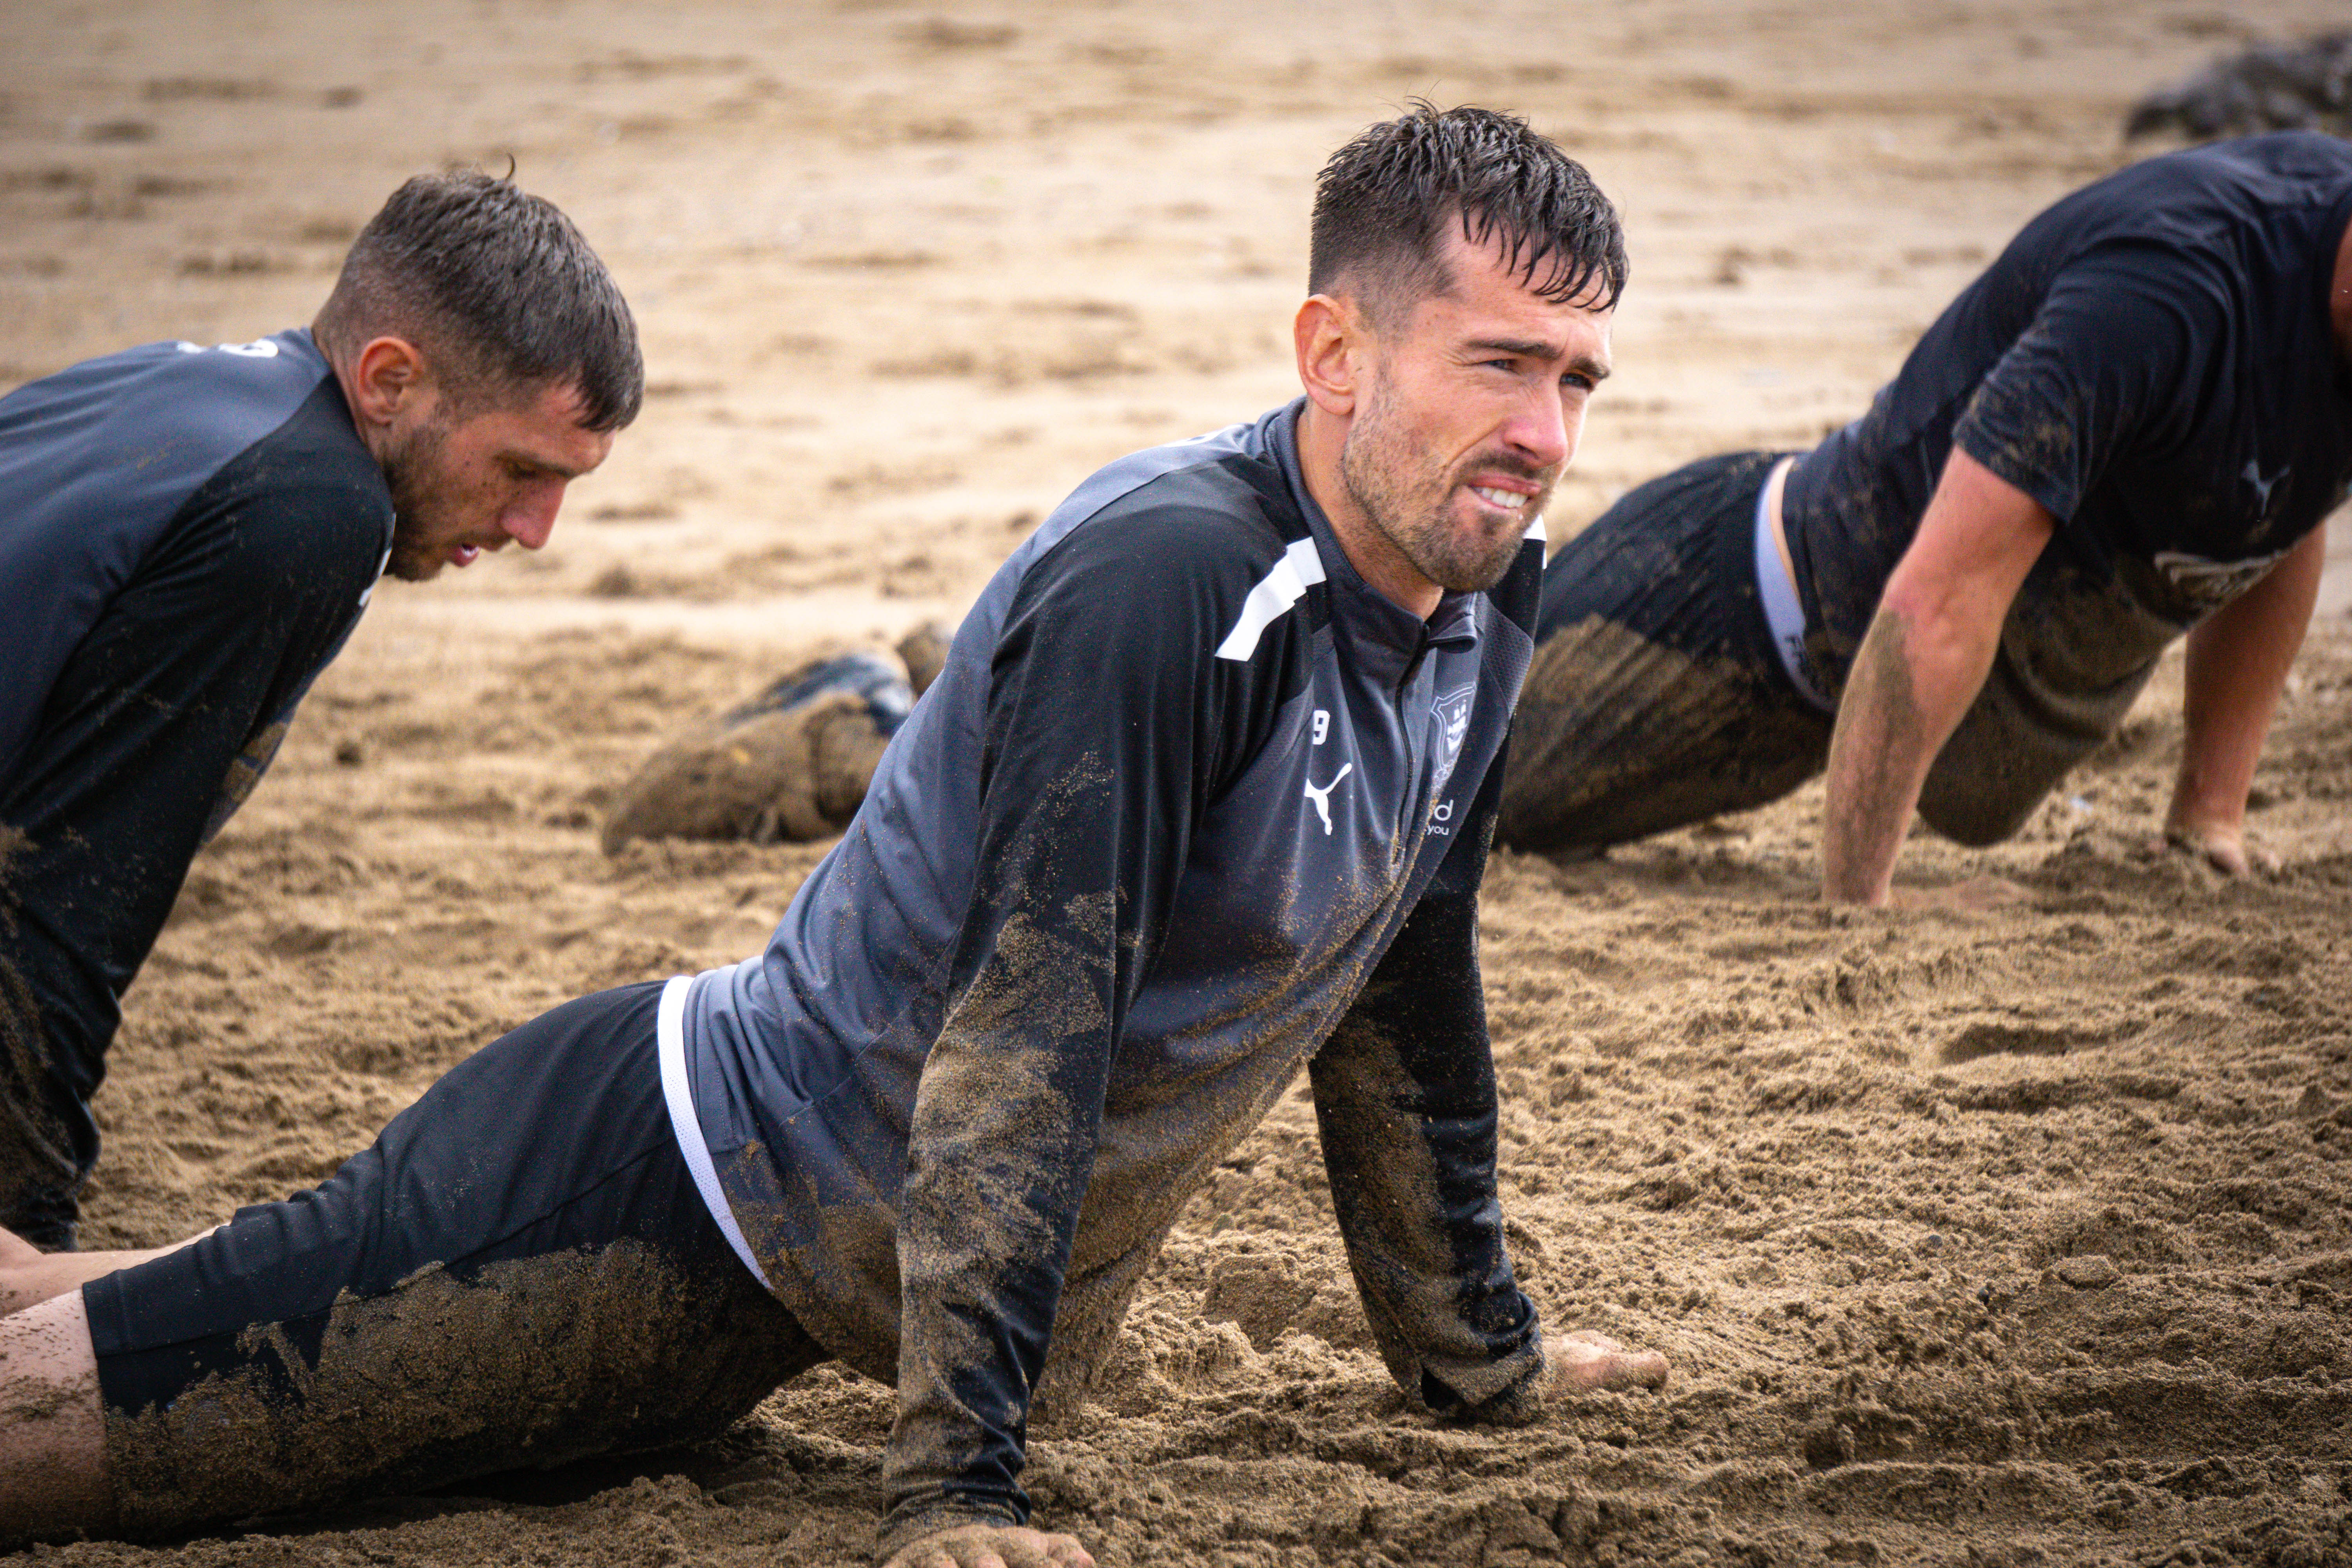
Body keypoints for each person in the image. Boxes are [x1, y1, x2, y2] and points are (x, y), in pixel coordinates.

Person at [0, 105, 1668, 1567]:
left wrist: (1481, 1360)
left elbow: (1401, 977)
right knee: (66, 1448)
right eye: (1501, 363)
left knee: (141, 1302)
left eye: (1578, 378)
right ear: (1337, 354)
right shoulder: (1174, 579)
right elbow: (1024, 1039)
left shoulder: (1481, 581)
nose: (1547, 437)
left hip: (755, 1286)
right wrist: (958, 1489)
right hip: (646, 1192)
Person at [0, 171, 639, 1248]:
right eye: (523, 469)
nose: (537, 528)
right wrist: (26, 1223)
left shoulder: (173, 388)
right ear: (389, 380)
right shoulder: (311, 511)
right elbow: (48, 900)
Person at [1497, 131, 2352, 906]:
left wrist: (2211, 817)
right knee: (1446, 803)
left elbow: (2285, 503)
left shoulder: (2317, 329)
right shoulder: (2163, 293)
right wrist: (1865, 905)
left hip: (1834, 710)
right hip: (1726, 606)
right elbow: (1937, 600)